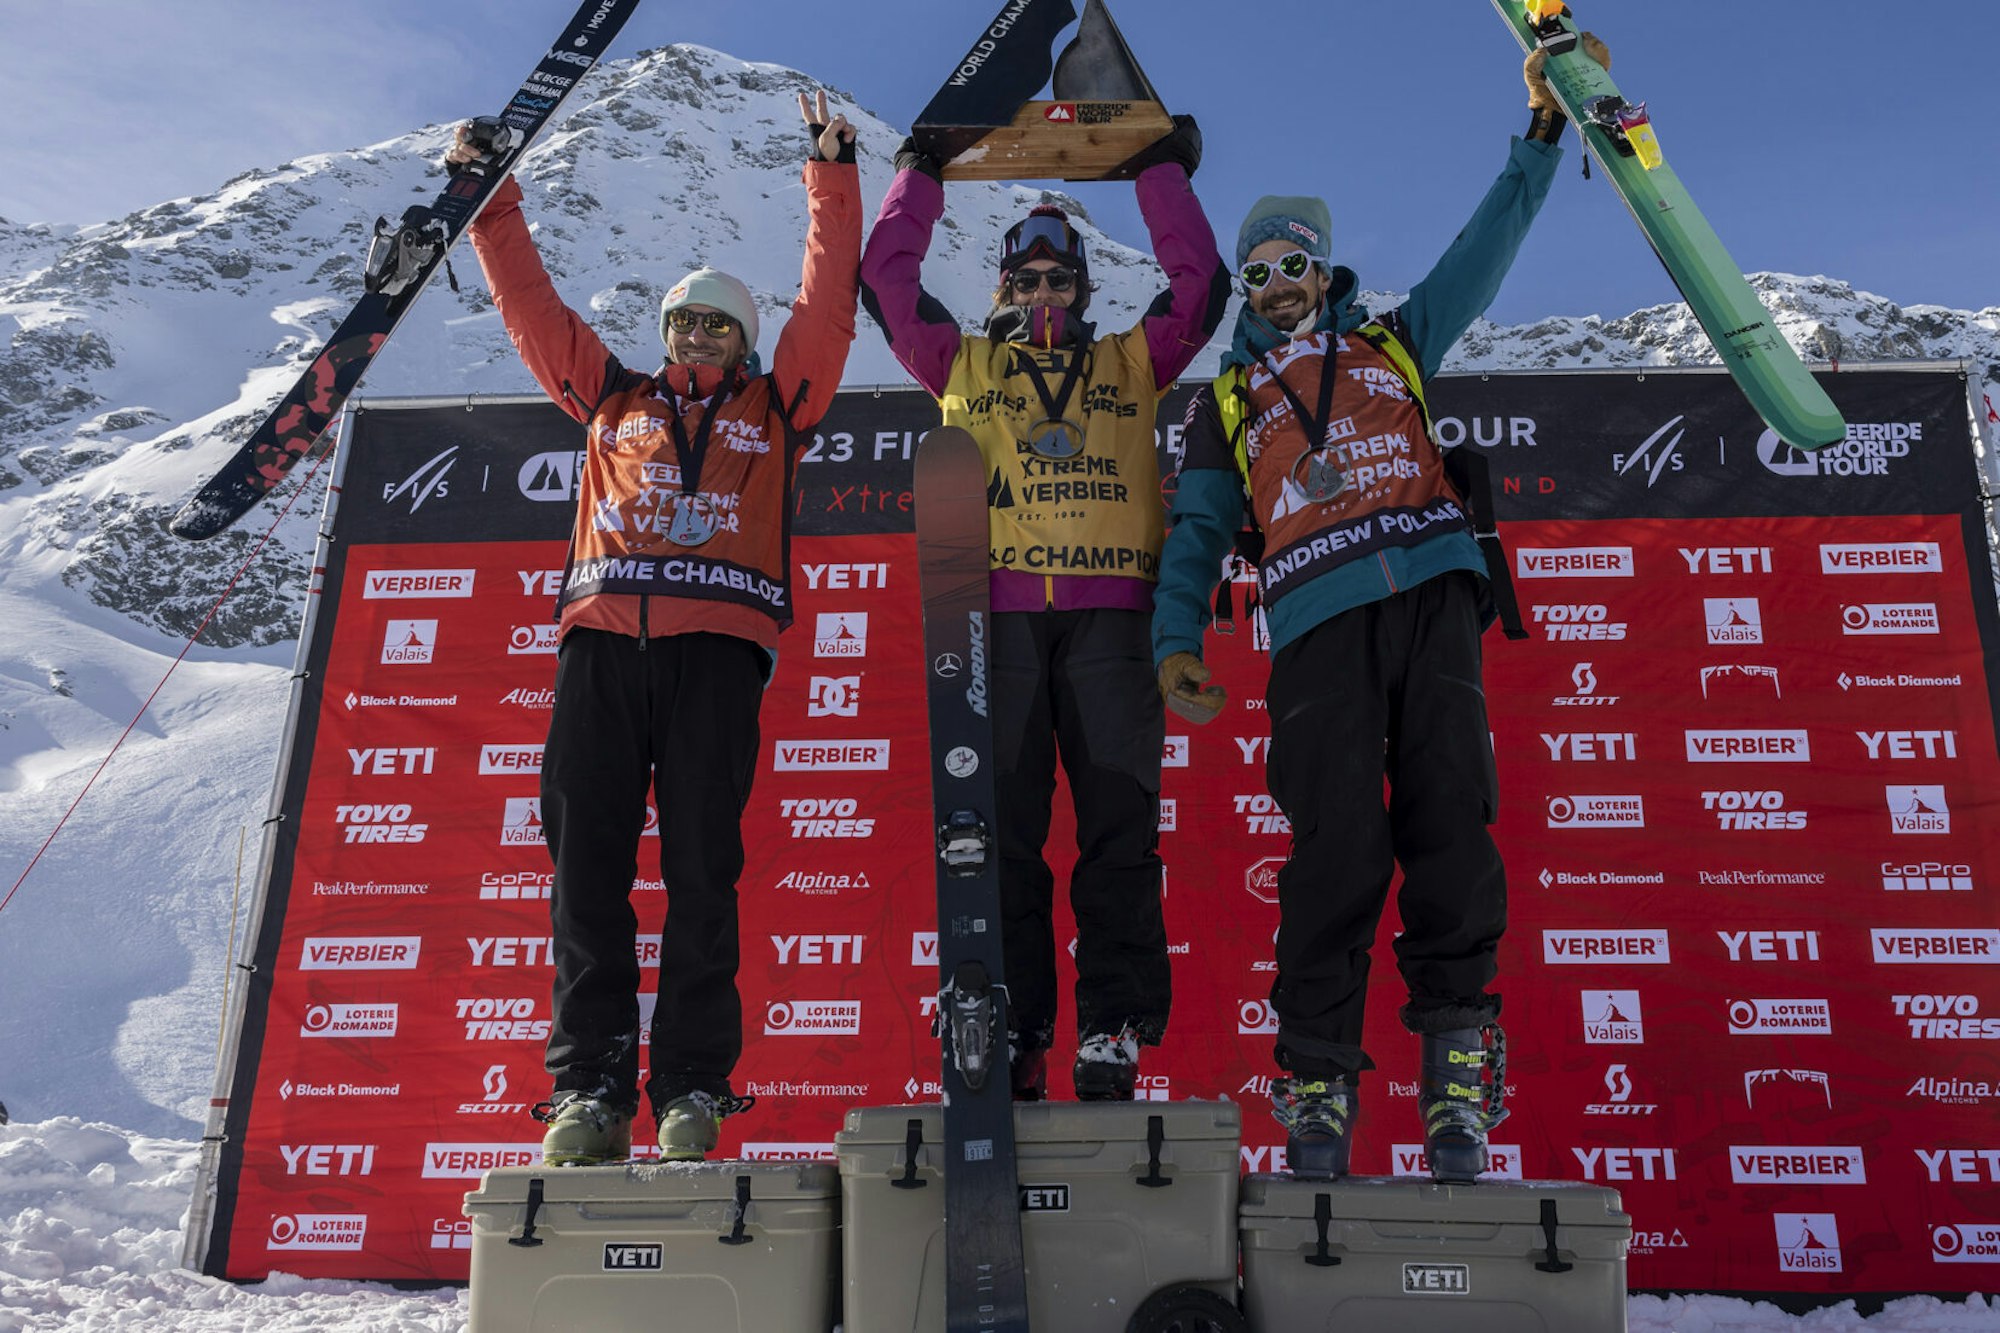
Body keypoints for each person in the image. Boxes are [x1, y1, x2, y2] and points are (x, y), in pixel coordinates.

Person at [1150, 36, 1608, 1181]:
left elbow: (1480, 255)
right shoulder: (1223, 400)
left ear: (1323, 270)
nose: (1274, 283)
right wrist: (1172, 643)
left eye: (1291, 263)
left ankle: (1455, 1073)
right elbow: (1196, 533)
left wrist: (1542, 131)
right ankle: (1314, 1078)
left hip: (1432, 596)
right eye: (1256, 271)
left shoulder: (1391, 344)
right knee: (1334, 847)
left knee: (1450, 827)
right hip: (1314, 620)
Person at [453, 92, 861, 1165]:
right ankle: (587, 1088)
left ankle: (690, 1084)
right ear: (665, 332)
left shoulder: (778, 407)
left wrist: (830, 177)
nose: (698, 335)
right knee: (585, 873)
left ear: (745, 340)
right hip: (599, 649)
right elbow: (531, 309)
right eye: (685, 320)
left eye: (718, 323)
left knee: (700, 874)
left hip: (716, 658)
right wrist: (489, 198)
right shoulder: (610, 400)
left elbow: (827, 305)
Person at [861, 122, 1228, 1100]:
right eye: (1024, 280)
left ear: (1083, 290)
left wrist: (1158, 170)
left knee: (1119, 840)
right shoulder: (961, 363)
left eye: (1059, 280)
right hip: (998, 631)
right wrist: (916, 177)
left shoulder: (1132, 362)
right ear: (1001, 289)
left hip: (1113, 625)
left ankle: (1112, 1028)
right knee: (1000, 845)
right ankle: (1012, 1025)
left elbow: (1200, 285)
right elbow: (886, 283)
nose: (1042, 294)